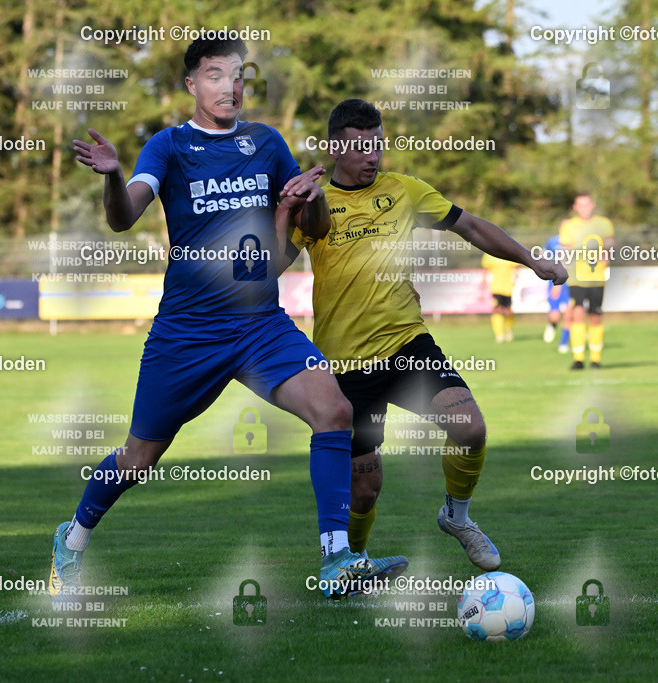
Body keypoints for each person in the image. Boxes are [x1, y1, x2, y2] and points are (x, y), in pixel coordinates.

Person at [50, 39, 407, 603]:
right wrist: (113, 176)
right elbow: (123, 217)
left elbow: (311, 223)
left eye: (238, 76)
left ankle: (337, 559)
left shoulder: (265, 143)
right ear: (192, 85)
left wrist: (305, 197)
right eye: (215, 76)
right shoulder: (168, 146)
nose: (230, 87)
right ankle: (71, 537)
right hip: (187, 334)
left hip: (260, 323)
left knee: (335, 411)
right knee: (139, 458)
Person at [277, 99, 566, 570]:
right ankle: (354, 563)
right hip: (347, 366)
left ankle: (456, 515)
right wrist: (284, 210)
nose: (373, 156)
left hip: (408, 345)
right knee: (365, 490)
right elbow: (270, 265)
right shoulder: (315, 205)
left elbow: (470, 226)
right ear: (334, 149)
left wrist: (532, 261)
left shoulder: (405, 191)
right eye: (361, 147)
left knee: (470, 428)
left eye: (378, 145)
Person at [559, 192, 614, 369]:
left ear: (593, 205)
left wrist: (608, 252)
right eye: (580, 205)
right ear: (575, 207)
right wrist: (561, 271)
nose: (584, 208)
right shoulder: (569, 226)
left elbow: (610, 243)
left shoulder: (603, 224)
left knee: (596, 315)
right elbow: (564, 250)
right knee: (577, 314)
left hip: (597, 277)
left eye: (587, 204)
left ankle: (596, 359)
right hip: (576, 278)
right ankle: (578, 358)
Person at [542, 233, 571, 353]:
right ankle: (552, 325)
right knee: (555, 316)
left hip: (572, 282)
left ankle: (563, 343)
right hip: (555, 280)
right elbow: (543, 256)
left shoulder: (578, 240)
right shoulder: (552, 241)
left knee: (570, 313)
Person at [481, 252, 519, 342]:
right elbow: (485, 271)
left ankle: (508, 329)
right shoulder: (488, 253)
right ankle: (499, 335)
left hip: (508, 288)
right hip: (496, 288)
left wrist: (515, 280)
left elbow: (516, 269)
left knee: (508, 311)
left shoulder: (508, 252)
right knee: (497, 309)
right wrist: (482, 287)